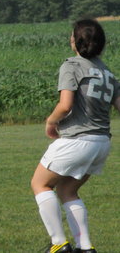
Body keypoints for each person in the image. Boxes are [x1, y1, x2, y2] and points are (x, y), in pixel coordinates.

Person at [30, 19, 120, 253]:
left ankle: (59, 243)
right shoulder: (107, 72)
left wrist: (51, 122)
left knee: (40, 184)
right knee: (67, 190)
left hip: (78, 139)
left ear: (75, 41)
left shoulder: (72, 65)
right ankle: (85, 247)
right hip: (101, 143)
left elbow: (65, 105)